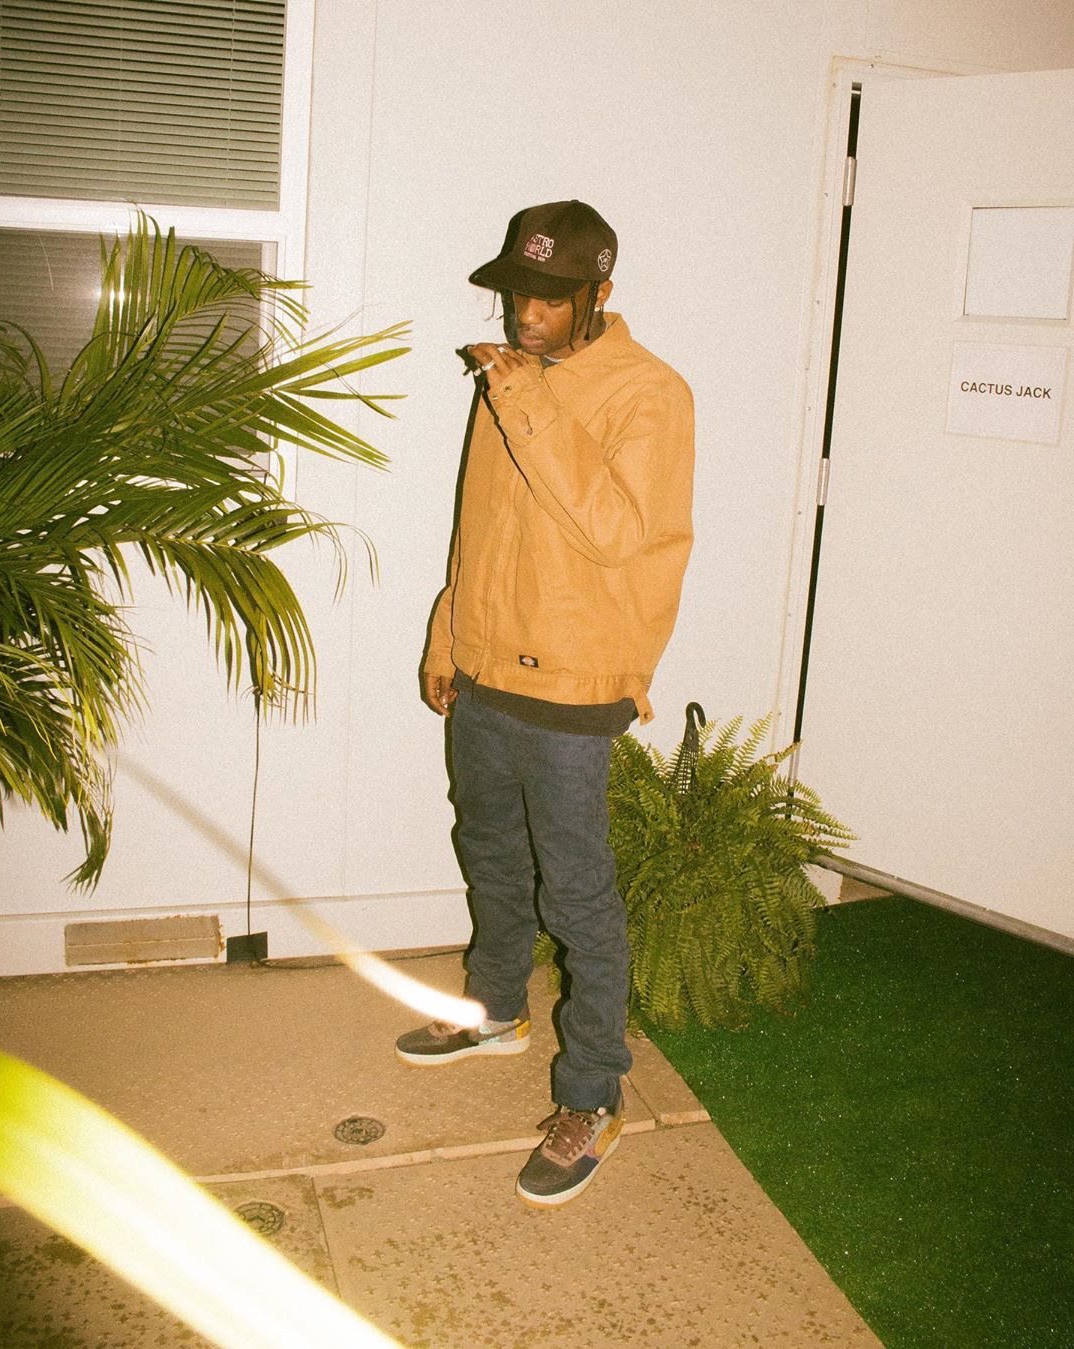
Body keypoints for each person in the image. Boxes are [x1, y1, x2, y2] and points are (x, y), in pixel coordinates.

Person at [396, 199, 694, 1208]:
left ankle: (592, 1094)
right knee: (487, 847)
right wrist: (448, 637)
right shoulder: (510, 379)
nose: (526, 313)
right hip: (486, 667)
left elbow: (613, 531)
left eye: (551, 297)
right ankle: (493, 1008)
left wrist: (522, 397)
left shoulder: (650, 393)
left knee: (575, 892)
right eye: (517, 292)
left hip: (572, 677)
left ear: (600, 293)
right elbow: (477, 525)